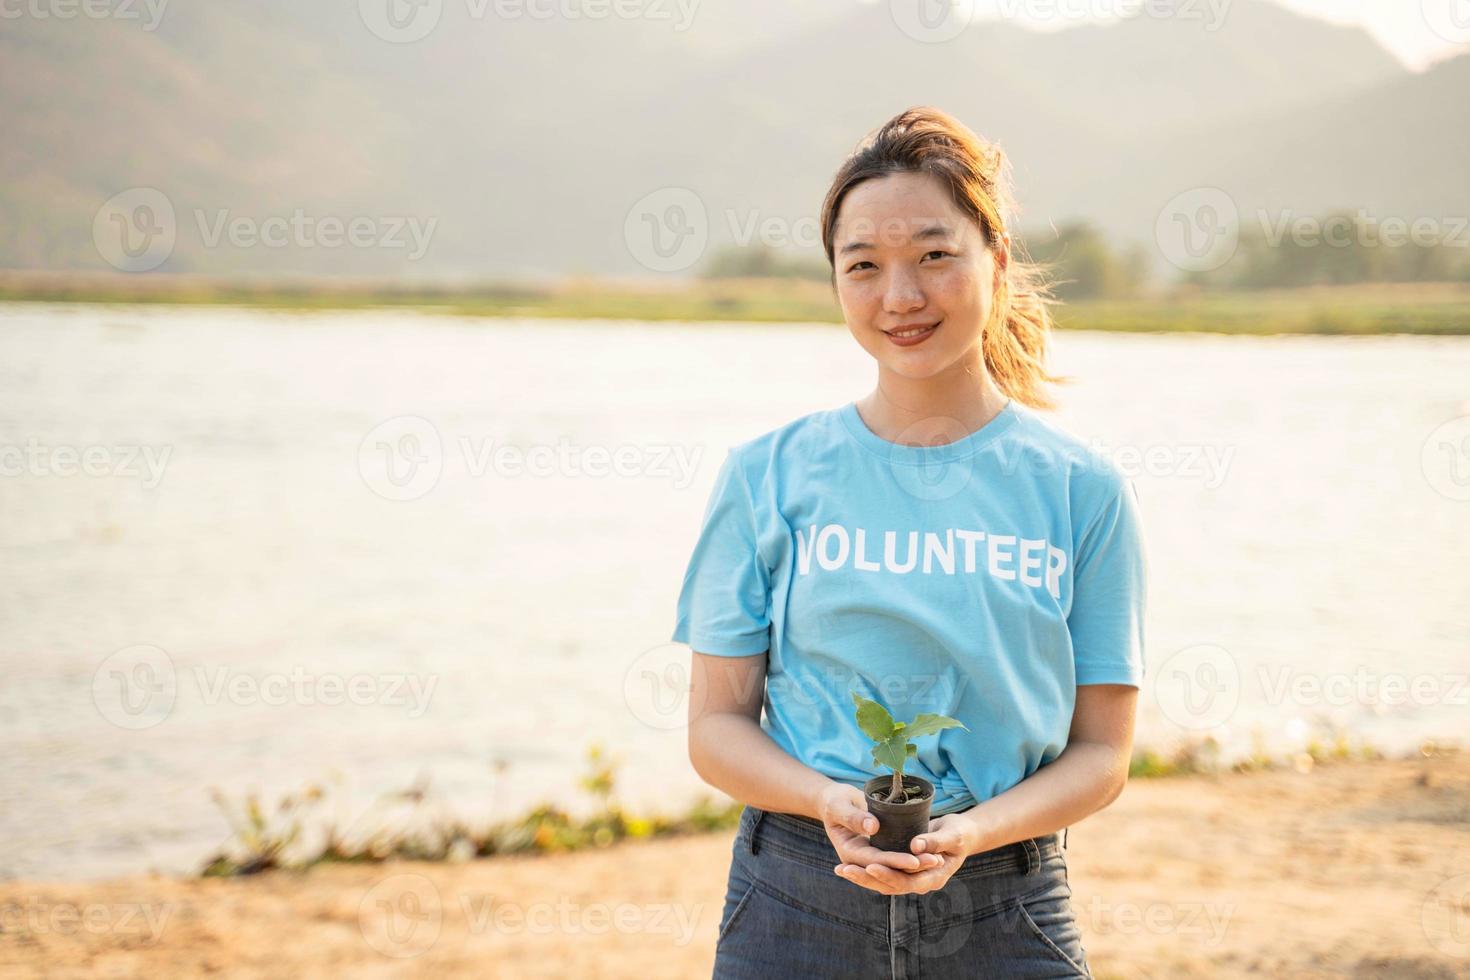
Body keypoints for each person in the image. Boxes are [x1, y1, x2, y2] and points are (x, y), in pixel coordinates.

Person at [671, 105, 1147, 979]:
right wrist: (828, 802)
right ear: (837, 283)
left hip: (1009, 901)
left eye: (934, 255)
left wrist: (972, 831)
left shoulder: (1081, 490)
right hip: (795, 899)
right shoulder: (766, 475)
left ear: (995, 263)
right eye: (865, 266)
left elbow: (1101, 755)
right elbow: (714, 728)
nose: (901, 297)